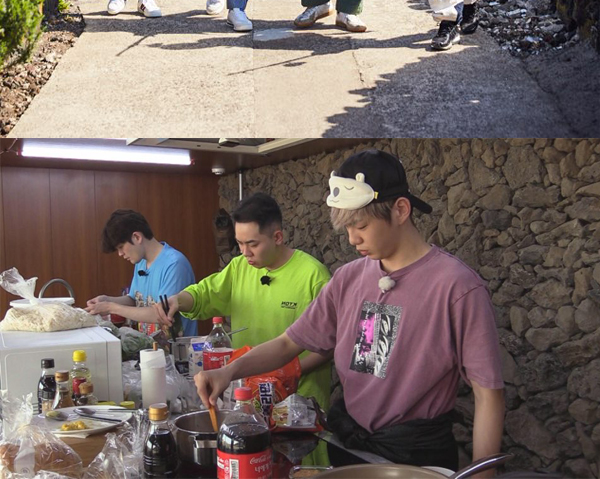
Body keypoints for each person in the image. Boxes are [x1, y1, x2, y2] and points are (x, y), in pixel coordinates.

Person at [195, 149, 505, 472]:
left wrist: (482, 474)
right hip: (351, 450)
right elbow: (289, 343)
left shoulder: (457, 288)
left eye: (360, 225)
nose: (352, 238)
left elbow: (489, 396)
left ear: (400, 210)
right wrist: (228, 371)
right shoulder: (349, 278)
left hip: (416, 460)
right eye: (346, 228)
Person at [130, 191, 332, 410]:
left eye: (252, 244)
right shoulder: (239, 268)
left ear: (277, 237)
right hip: (248, 394)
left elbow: (328, 345)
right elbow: (203, 294)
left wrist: (287, 372)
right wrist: (178, 300)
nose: (245, 253)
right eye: (240, 243)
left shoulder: (314, 276)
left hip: (299, 401)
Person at [86, 208, 197, 336]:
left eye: (121, 247)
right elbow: (134, 300)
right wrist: (106, 300)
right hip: (149, 350)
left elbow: (160, 314)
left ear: (137, 237)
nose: (120, 254)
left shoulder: (175, 264)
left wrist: (111, 307)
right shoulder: (140, 263)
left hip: (177, 352)